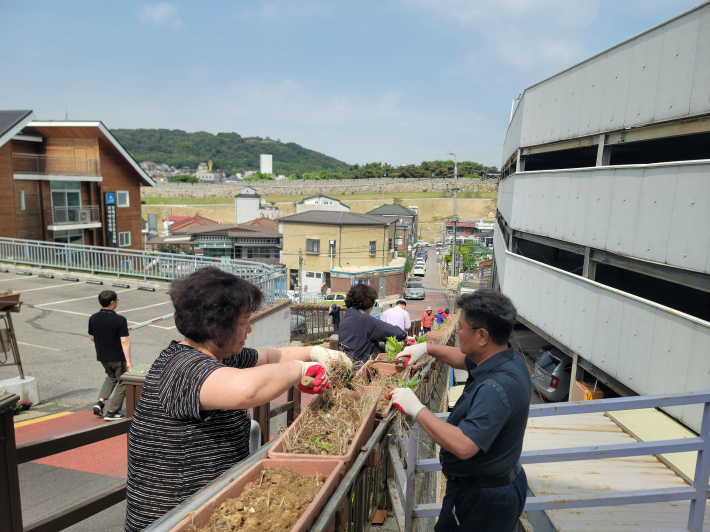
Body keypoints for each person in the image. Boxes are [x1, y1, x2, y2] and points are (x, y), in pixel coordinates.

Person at [125, 267, 351, 531]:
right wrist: (298, 371)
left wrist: (315, 352)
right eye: (244, 322)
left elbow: (271, 357)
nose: (249, 329)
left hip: (207, 512)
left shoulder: (221, 355)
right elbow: (246, 390)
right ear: (216, 324)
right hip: (172, 519)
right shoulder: (182, 368)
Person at [390, 289, 530, 531]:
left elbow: (465, 445)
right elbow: (462, 358)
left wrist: (416, 408)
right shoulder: (507, 358)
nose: (457, 331)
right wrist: (427, 349)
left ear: (482, 336)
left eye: (461, 327)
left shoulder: (495, 388)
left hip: (482, 499)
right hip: (496, 484)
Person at [88, 290, 132, 421]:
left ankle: (100, 402)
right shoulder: (120, 320)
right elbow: (124, 341)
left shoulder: (93, 318)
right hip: (117, 356)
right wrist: (128, 361)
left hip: (102, 355)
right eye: (117, 301)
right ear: (112, 303)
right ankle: (113, 411)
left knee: (111, 376)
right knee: (123, 381)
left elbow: (92, 337)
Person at [338, 284, 407, 363]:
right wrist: (405, 336)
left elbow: (359, 345)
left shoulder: (345, 319)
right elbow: (393, 332)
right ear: (368, 302)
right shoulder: (365, 320)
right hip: (363, 367)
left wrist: (384, 347)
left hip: (348, 365)